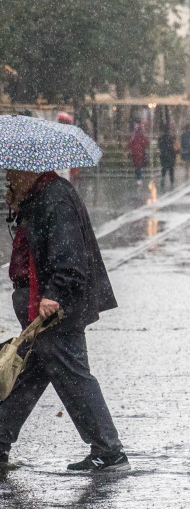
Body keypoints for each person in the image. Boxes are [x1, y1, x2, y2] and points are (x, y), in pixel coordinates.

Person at [0, 168, 127, 472]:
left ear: (29, 168)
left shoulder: (54, 198)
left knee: (73, 377)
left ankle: (109, 452)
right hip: (42, 306)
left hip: (54, 310)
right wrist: (17, 208)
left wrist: (54, 293)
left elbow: (70, 257)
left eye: (11, 171)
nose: (7, 176)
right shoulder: (38, 196)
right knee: (26, 375)